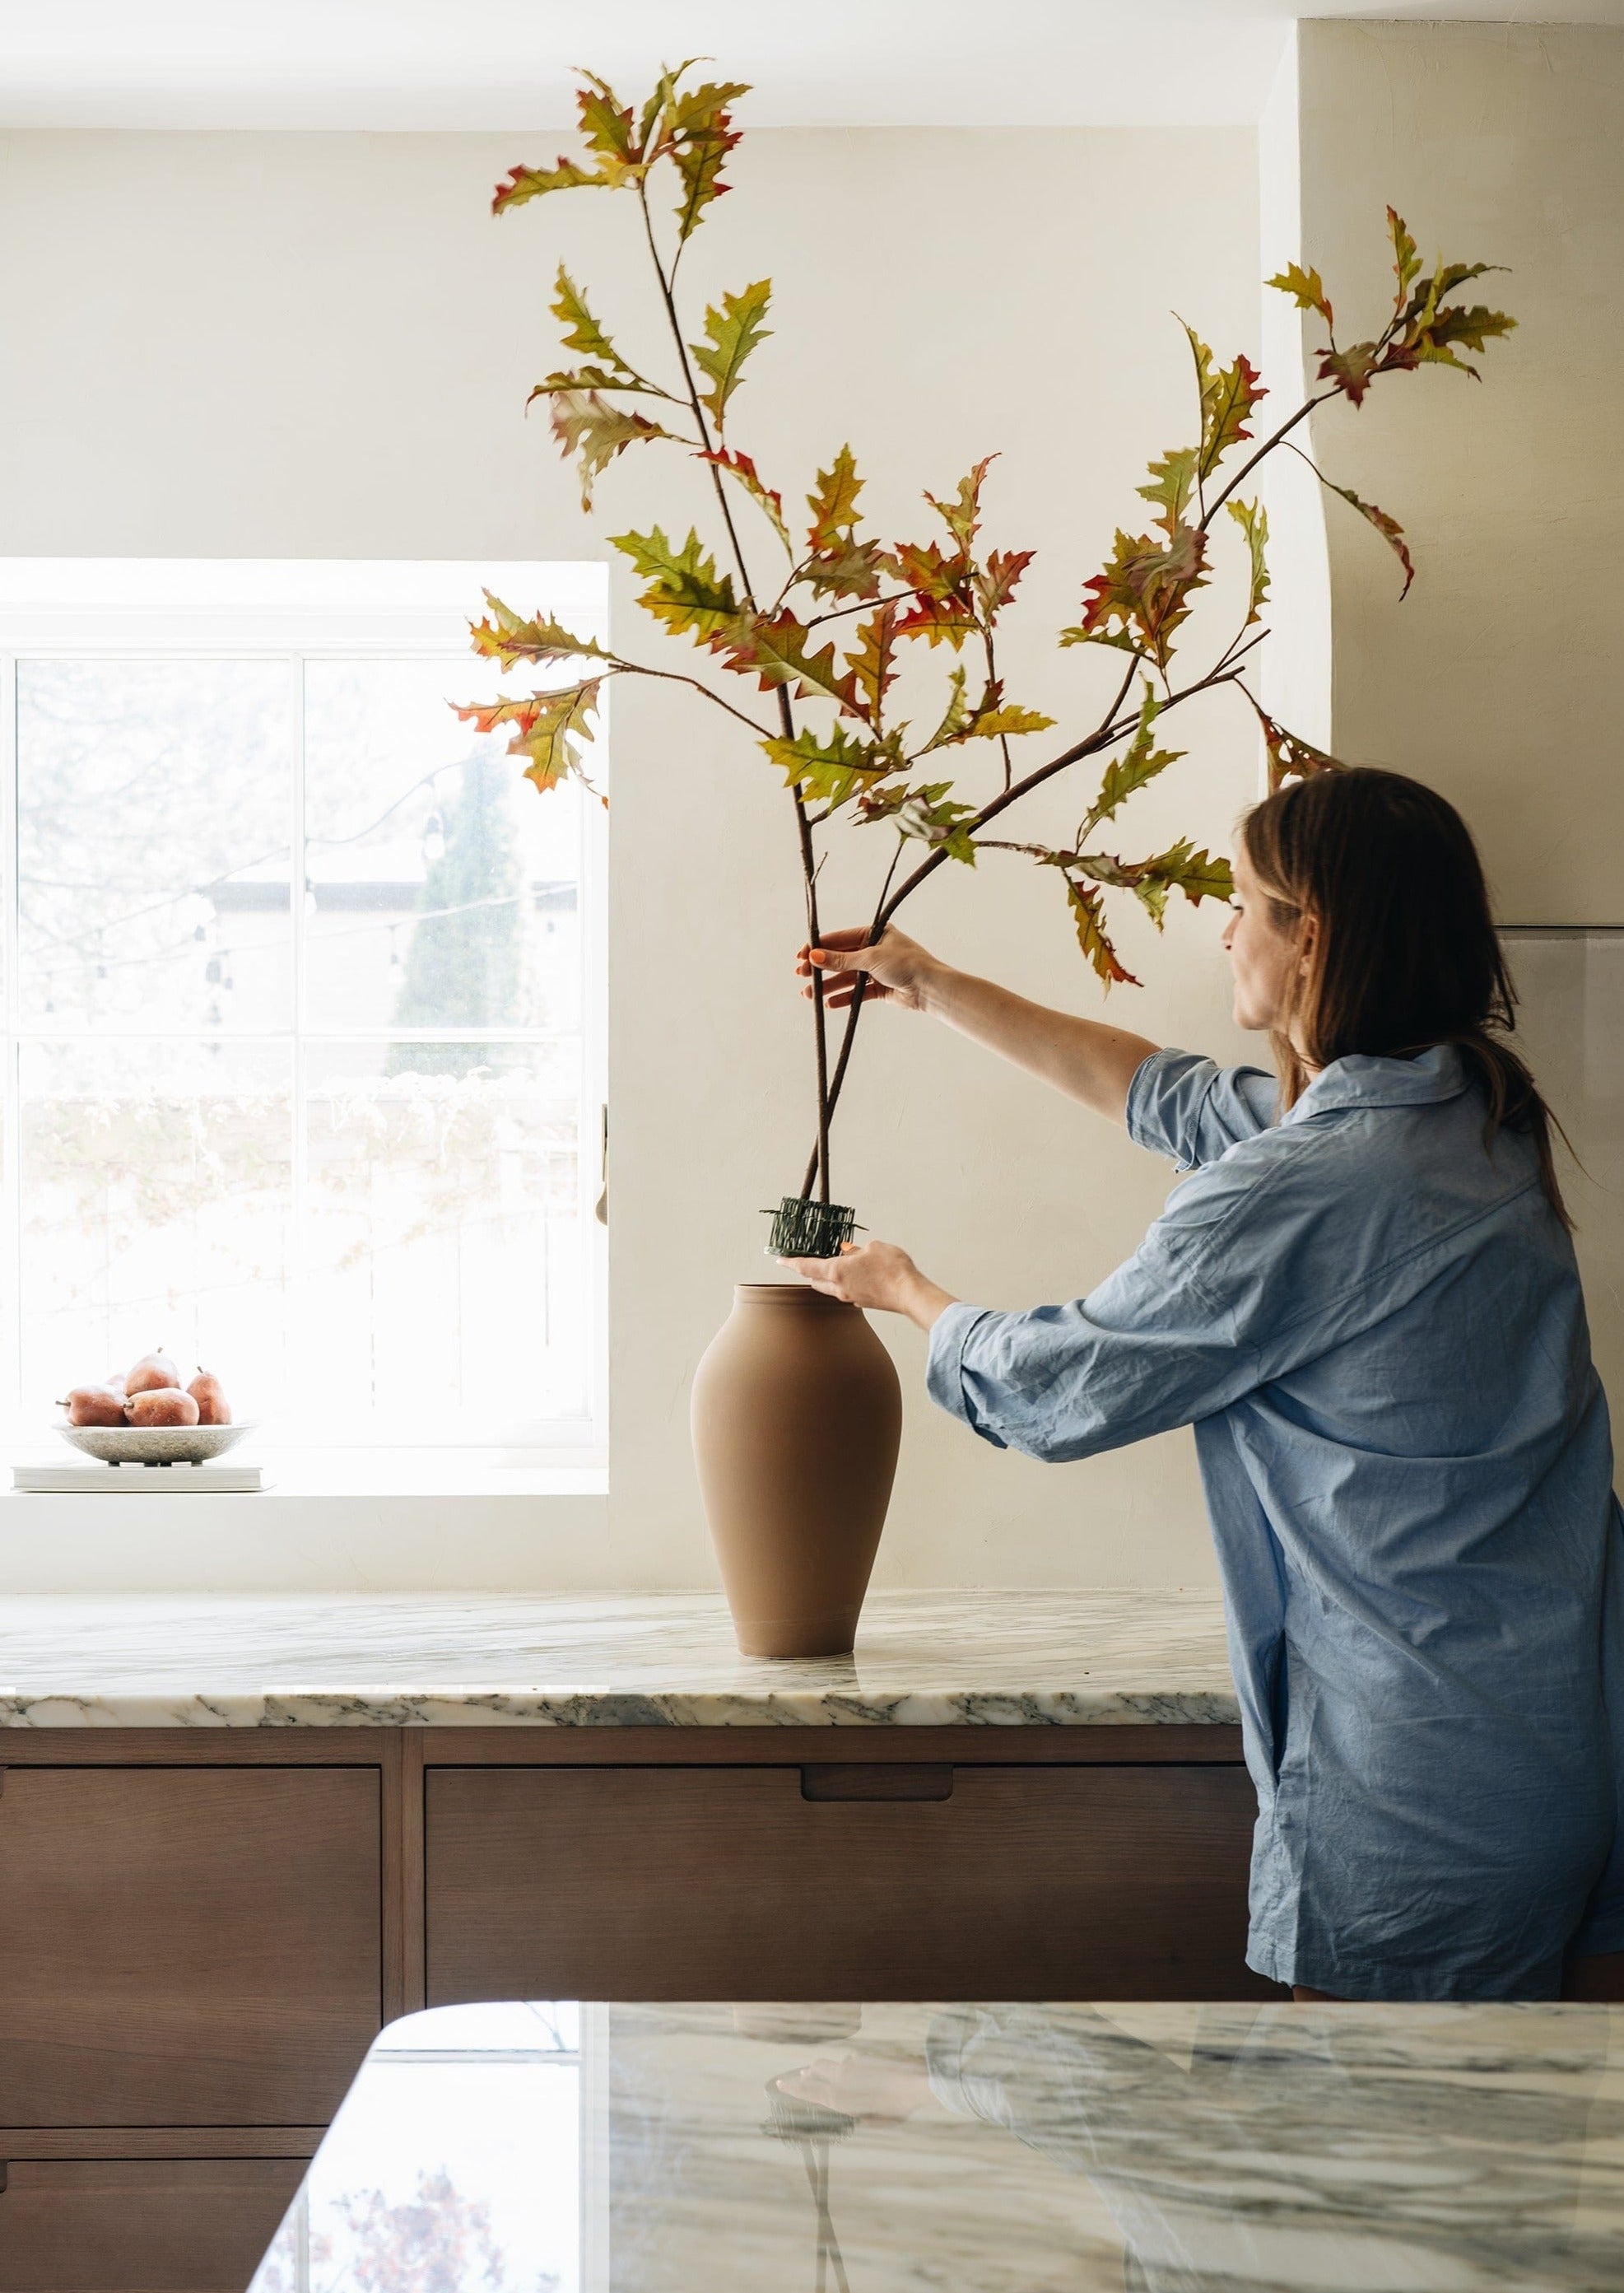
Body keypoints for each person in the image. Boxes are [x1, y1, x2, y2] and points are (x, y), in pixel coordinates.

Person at [786, 766, 1624, 2003]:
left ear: (1310, 938)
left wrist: (910, 1292)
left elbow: (1058, 1383)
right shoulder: (1465, 1111)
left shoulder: (1315, 1183)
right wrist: (932, 983)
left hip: (1419, 1790)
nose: (1222, 929)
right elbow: (1158, 1090)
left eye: (1241, 903)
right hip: (1569, 1733)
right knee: (1531, 2176)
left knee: (1370, 2174)